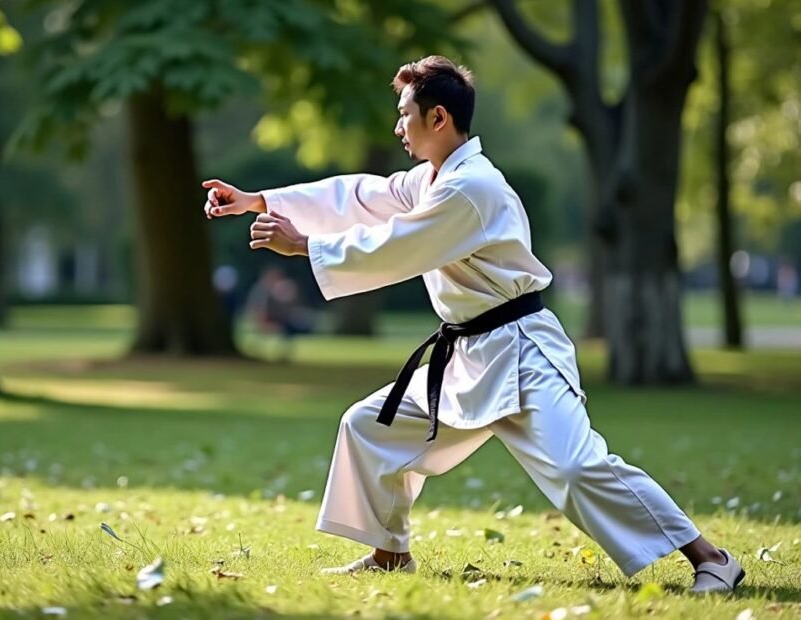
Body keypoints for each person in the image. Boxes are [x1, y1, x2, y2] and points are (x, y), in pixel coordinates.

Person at [202, 56, 744, 594]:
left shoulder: (471, 189)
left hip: (522, 354)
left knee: (578, 470)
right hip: (464, 356)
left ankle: (711, 558)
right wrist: (260, 201)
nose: (398, 127)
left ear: (438, 119)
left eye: (405, 114)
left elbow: (399, 245)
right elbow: (361, 197)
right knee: (369, 427)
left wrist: (305, 246)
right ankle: (390, 554)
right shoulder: (432, 180)